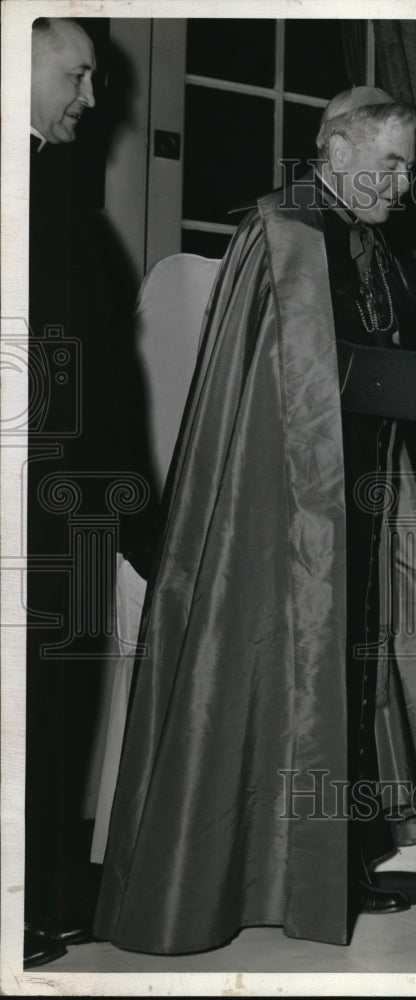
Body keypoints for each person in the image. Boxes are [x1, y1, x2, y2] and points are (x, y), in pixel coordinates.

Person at [93, 86, 416, 955]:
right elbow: (312, 380)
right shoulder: (285, 233)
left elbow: (380, 351)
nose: (403, 182)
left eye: (408, 165)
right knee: (300, 674)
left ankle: (338, 858)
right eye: (390, 163)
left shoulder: (361, 235)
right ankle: (282, 870)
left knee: (352, 673)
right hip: (286, 510)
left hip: (360, 493)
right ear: (338, 153)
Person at [26, 17, 150, 969]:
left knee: (63, 699)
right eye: (78, 73)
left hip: (71, 502)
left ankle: (50, 888)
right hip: (35, 501)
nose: (94, 96)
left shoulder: (55, 193)